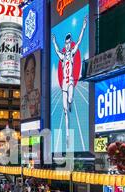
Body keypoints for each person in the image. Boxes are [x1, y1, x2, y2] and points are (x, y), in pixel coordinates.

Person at [51, 16, 88, 149]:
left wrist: (83, 27)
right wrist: (54, 41)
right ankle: (67, 137)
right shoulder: (62, 55)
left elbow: (79, 41)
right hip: (64, 87)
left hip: (71, 82)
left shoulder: (72, 53)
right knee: (65, 110)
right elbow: (56, 51)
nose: (67, 45)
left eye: (68, 43)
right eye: (66, 44)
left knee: (71, 99)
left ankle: (71, 103)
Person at [21, 53, 41, 120]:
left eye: (32, 72)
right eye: (27, 73)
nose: (30, 78)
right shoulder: (22, 100)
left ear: (35, 73)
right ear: (23, 74)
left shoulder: (39, 98)